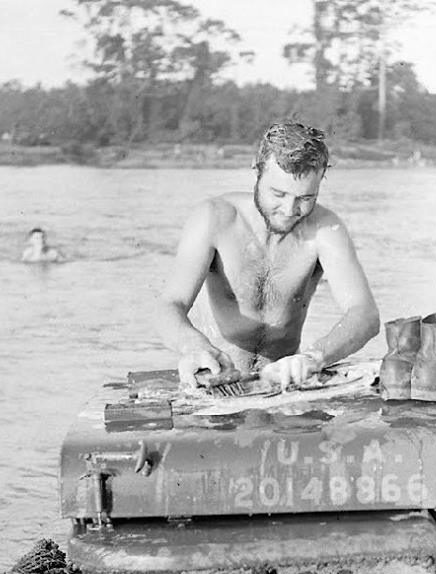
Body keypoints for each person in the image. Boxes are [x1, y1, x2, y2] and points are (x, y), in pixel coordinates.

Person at [156, 121, 380, 390]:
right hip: (217, 381)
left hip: (284, 387)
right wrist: (193, 347)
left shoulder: (326, 229)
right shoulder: (213, 219)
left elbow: (365, 314)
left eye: (306, 198)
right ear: (256, 170)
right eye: (278, 193)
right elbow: (170, 304)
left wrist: (314, 357)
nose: (289, 209)